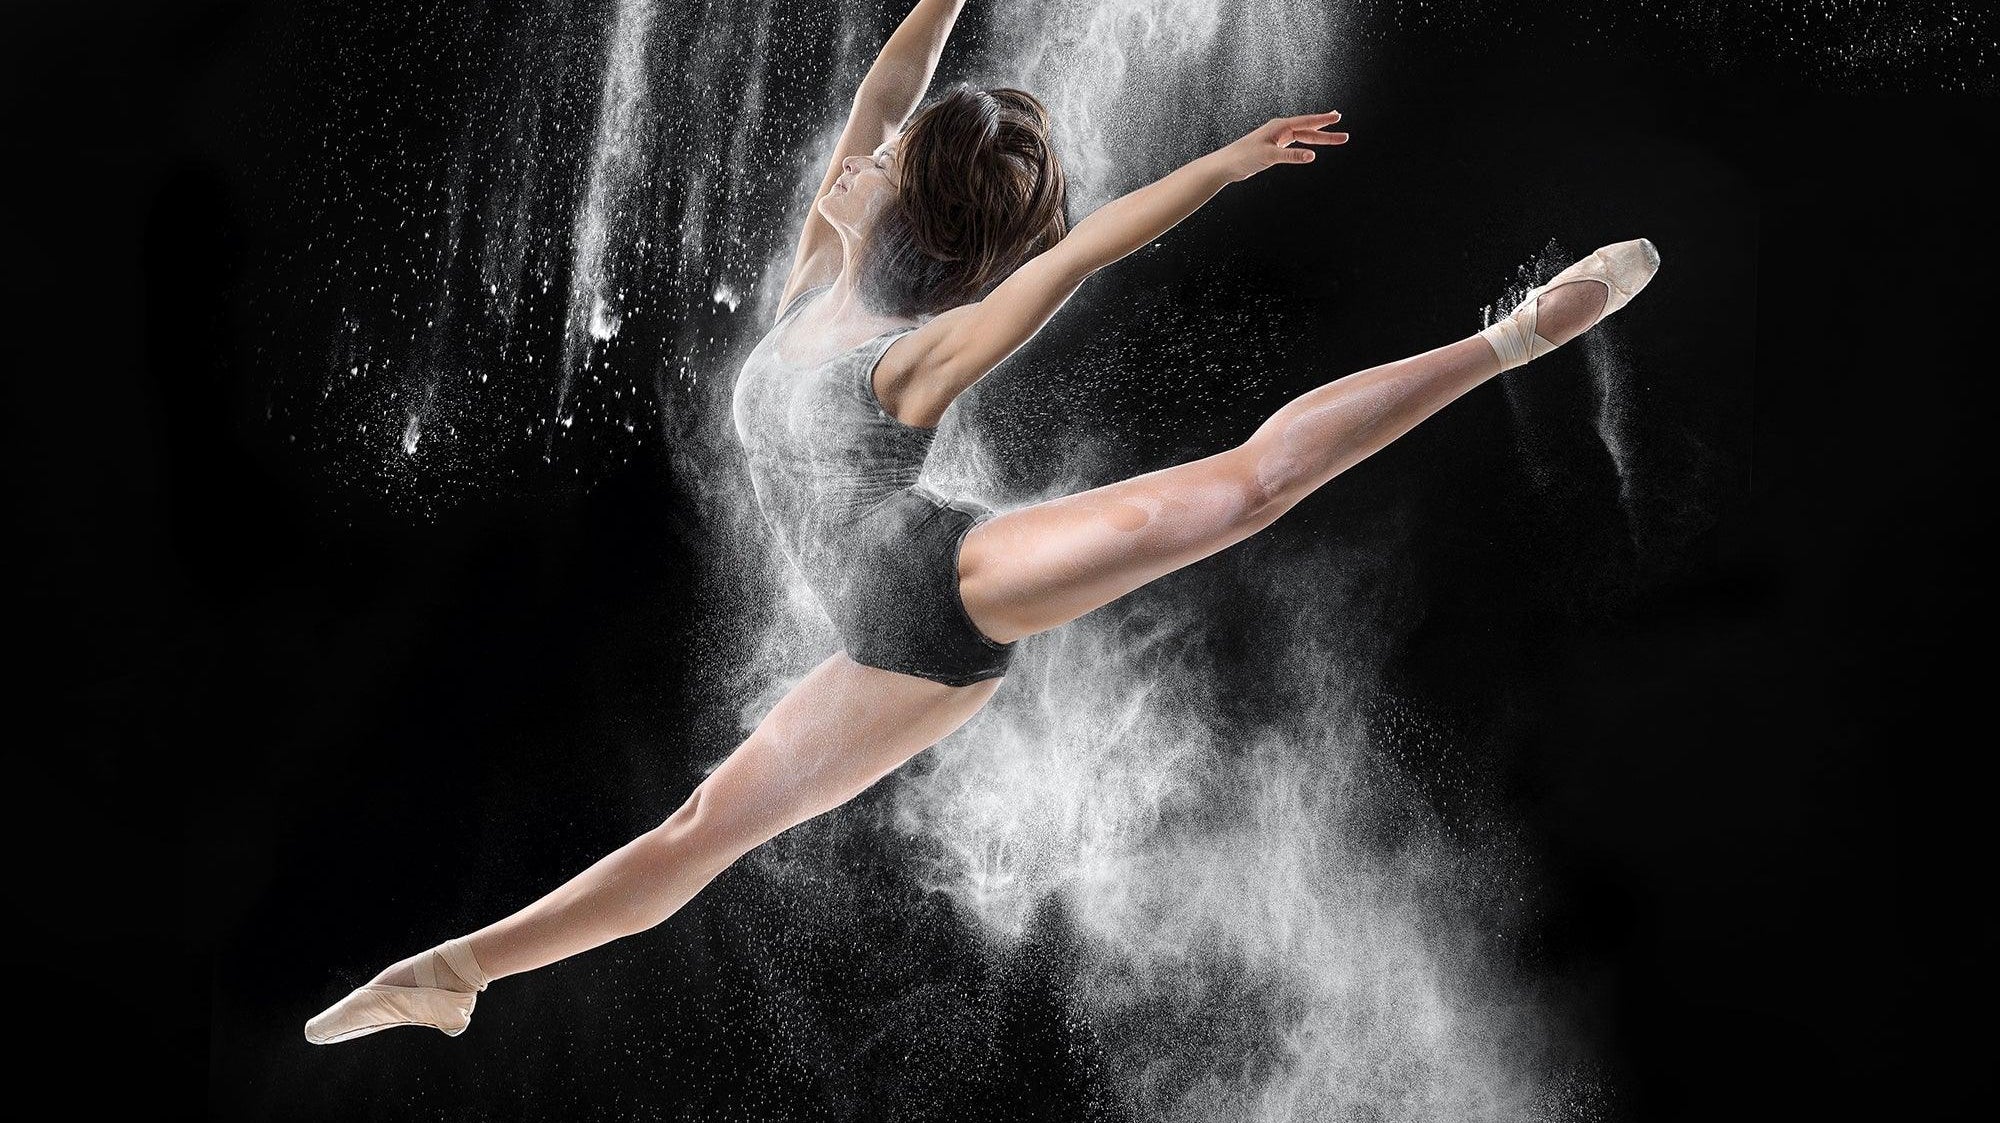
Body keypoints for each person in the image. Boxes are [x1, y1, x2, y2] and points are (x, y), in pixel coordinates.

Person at [307, 0, 1657, 1044]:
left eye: (886, 156)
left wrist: (1221, 166)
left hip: (941, 585)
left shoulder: (911, 351)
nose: (866, 145)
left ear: (906, 202)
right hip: (883, 653)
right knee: (692, 839)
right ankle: (456, 972)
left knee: (1244, 489)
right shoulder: (824, 266)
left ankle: (1508, 342)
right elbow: (895, 84)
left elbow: (1075, 254)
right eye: (880, 146)